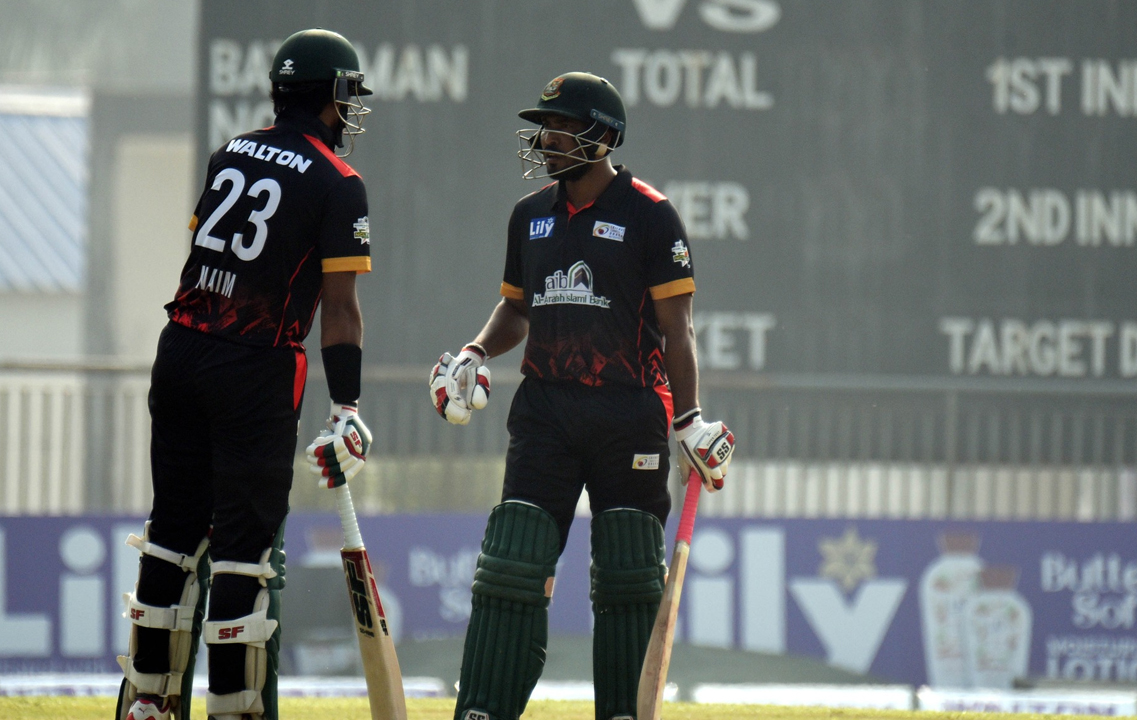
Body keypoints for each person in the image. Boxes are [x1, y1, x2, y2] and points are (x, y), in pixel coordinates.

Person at [429, 71, 736, 720]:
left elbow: (678, 329)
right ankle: (482, 710)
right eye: (545, 126)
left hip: (630, 413)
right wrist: (475, 352)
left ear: (602, 136)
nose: (547, 138)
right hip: (545, 412)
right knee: (512, 563)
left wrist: (688, 421)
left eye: (562, 126)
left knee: (628, 574)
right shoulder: (530, 215)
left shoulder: (651, 215)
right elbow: (517, 308)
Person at [115, 28, 376, 720]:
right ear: (329, 96)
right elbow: (340, 309)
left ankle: (148, 701)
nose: (351, 110)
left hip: (181, 348)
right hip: (255, 365)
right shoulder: (339, 182)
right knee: (242, 552)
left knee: (171, 534)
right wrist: (346, 406)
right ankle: (234, 708)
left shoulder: (230, 151)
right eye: (348, 95)